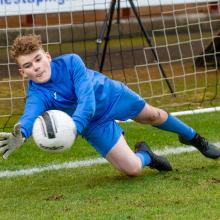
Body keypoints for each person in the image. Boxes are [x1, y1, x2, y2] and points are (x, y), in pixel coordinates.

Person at [0, 34, 219, 176]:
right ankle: (147, 155)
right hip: (92, 124)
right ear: (22, 72)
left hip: (111, 96)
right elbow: (30, 113)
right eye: (28, 65)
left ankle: (194, 138)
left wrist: (73, 126)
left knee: (153, 115)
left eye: (38, 59)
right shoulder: (37, 92)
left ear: (47, 56)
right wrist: (22, 132)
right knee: (132, 170)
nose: (36, 67)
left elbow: (87, 99)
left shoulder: (71, 61)